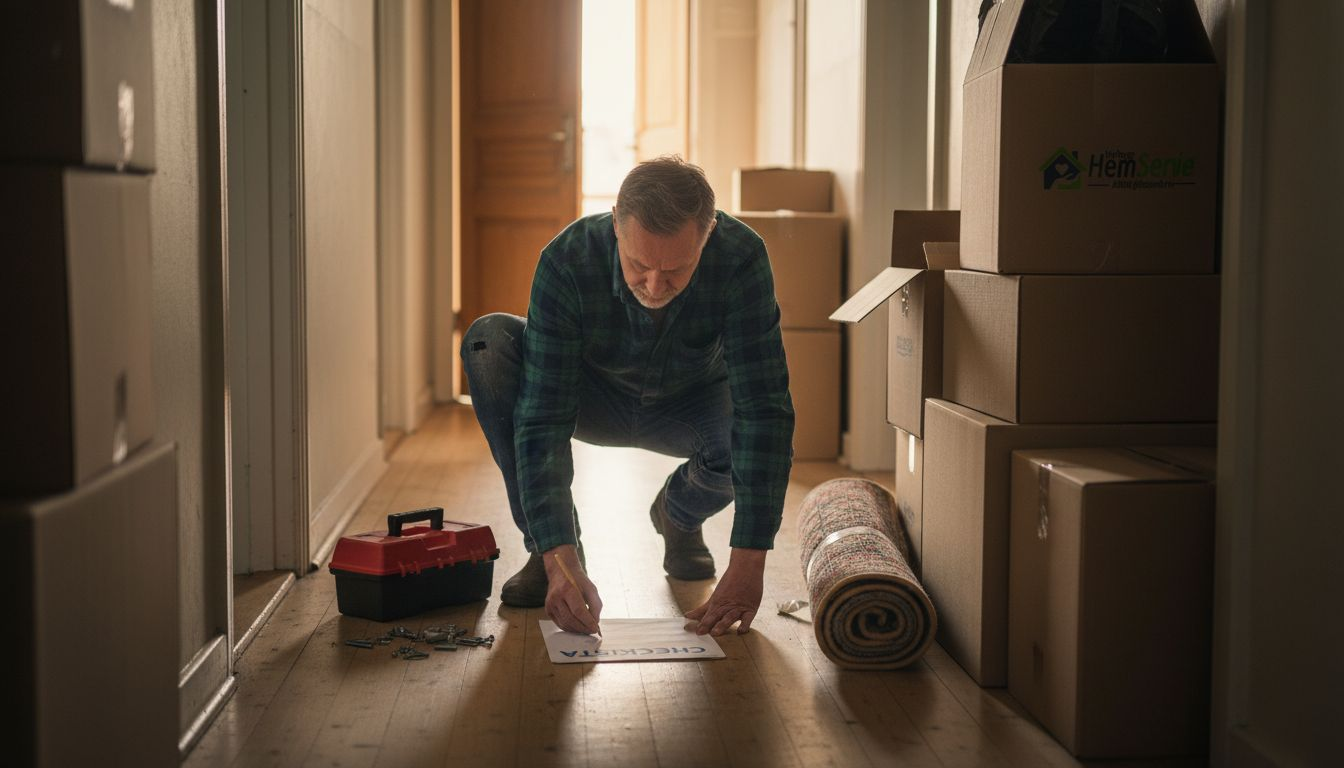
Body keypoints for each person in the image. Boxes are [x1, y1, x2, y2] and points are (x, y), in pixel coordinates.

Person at [461, 156, 794, 638]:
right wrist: (560, 556)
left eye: (678, 269)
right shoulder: (567, 258)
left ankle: (677, 516)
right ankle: (548, 550)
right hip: (591, 399)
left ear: (709, 233)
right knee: (487, 342)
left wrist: (749, 564)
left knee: (739, 442)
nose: (655, 286)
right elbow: (542, 420)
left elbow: (764, 410)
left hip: (692, 405)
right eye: (638, 263)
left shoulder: (741, 257)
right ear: (616, 221)